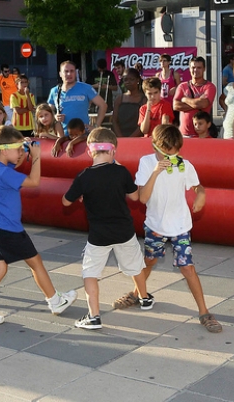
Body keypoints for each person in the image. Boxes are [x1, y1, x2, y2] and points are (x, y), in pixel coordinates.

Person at [116, 124, 223, 333]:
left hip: (180, 225)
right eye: (168, 153)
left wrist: (201, 194)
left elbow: (197, 185)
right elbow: (143, 198)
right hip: (155, 225)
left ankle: (204, 311)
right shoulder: (146, 163)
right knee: (149, 261)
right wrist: (156, 173)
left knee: (187, 267)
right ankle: (137, 293)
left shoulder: (185, 164)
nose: (173, 157)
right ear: (156, 147)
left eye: (176, 153)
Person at [0, 126, 77, 326]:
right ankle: (55, 301)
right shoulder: (4, 173)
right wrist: (36, 157)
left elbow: (16, 162)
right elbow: (34, 181)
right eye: (18, 148)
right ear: (4, 150)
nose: (21, 153)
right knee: (36, 263)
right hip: (10, 230)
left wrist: (24, 152)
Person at [62, 128, 151, 330]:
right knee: (136, 265)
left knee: (90, 274)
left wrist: (82, 194)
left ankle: (94, 316)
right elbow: (135, 197)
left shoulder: (84, 177)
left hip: (99, 236)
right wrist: (118, 166)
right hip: (124, 232)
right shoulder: (121, 171)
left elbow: (65, 202)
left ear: (89, 151)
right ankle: (144, 298)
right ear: (113, 151)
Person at [47, 60, 107, 132]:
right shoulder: (55, 91)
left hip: (83, 135)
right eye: (66, 71)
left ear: (75, 73)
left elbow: (103, 105)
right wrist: (54, 117)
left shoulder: (86, 88)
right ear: (60, 74)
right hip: (62, 136)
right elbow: (47, 112)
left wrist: (96, 126)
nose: (69, 74)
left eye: (72, 71)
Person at [173, 57, 216, 137]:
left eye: (199, 67)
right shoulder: (182, 86)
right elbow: (175, 106)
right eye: (193, 67)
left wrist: (184, 99)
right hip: (184, 134)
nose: (195, 70)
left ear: (204, 69)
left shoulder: (210, 87)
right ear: (189, 69)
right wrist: (196, 103)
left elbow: (202, 104)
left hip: (202, 135)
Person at [111, 68, 146, 138]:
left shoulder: (144, 100)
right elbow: (114, 121)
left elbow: (143, 123)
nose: (128, 82)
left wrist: (130, 138)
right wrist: (121, 137)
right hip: (120, 137)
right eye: (125, 80)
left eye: (131, 79)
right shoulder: (119, 99)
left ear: (138, 80)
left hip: (137, 138)